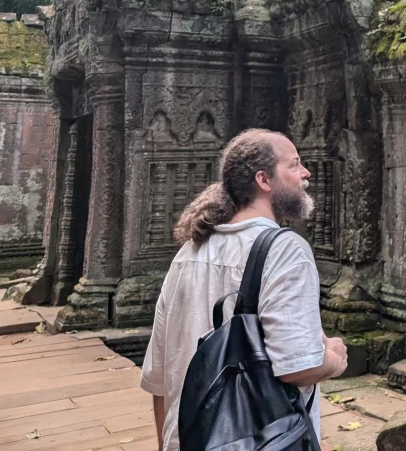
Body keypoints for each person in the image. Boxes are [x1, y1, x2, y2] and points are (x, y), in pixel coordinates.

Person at [140, 129, 349, 451]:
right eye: (294, 165)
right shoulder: (286, 249)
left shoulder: (188, 253)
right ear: (264, 180)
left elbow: (159, 377)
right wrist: (334, 358)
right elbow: (299, 366)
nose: (306, 173)